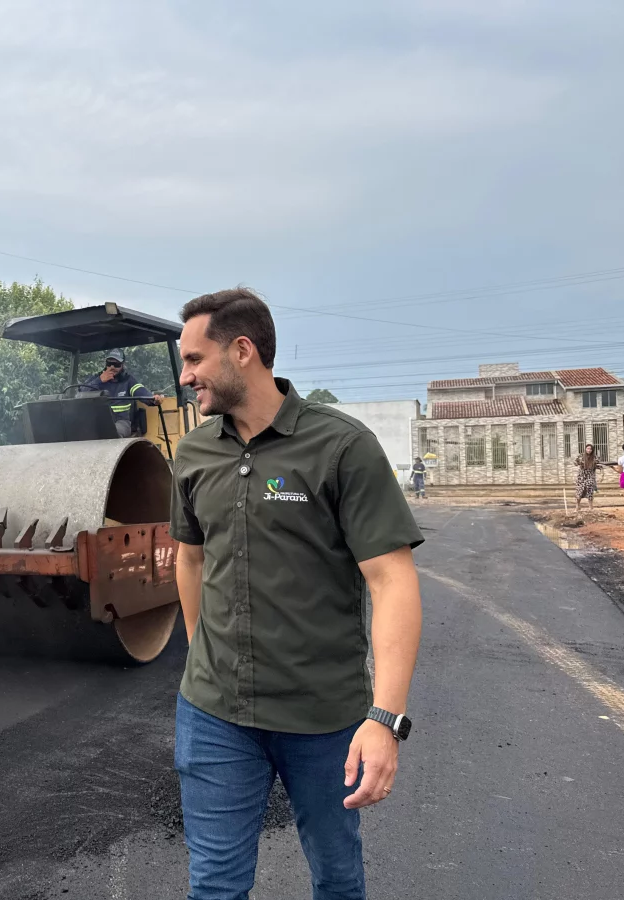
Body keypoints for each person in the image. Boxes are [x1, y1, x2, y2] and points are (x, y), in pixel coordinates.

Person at [170, 288, 424, 900]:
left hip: (324, 720)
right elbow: (190, 557)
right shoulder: (194, 452)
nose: (184, 377)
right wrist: (201, 655)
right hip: (215, 717)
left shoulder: (341, 446)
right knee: (214, 885)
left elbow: (392, 581)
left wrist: (385, 719)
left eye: (195, 359)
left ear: (242, 351)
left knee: (337, 877)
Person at [79, 349, 165, 438]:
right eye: (109, 363)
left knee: (112, 433)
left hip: (121, 422)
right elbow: (80, 394)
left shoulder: (128, 381)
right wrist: (99, 380)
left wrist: (154, 399)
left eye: (116, 364)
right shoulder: (97, 379)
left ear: (122, 365)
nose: (112, 367)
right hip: (98, 422)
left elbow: (141, 392)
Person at [574, 443, 600, 512]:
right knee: (579, 491)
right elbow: (575, 463)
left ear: (592, 450)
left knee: (590, 491)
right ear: (585, 449)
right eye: (588, 448)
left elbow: (599, 465)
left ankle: (591, 507)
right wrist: (579, 462)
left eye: (590, 449)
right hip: (581, 476)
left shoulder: (595, 457)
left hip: (590, 476)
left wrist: (597, 465)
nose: (589, 450)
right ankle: (577, 506)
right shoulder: (581, 456)